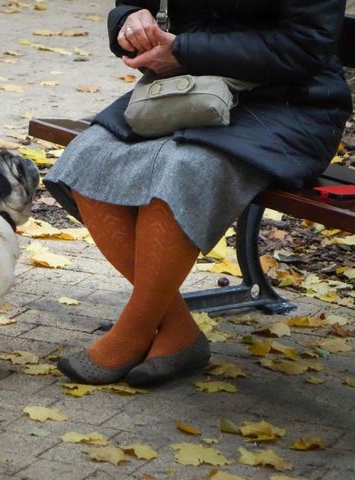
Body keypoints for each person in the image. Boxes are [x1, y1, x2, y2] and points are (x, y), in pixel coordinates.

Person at [44, 0, 353, 386]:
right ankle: (179, 332)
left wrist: (184, 51)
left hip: (293, 103)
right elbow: (132, 5)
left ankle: (132, 334)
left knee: (181, 168)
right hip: (194, 90)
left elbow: (305, 47)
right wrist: (129, 21)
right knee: (89, 157)